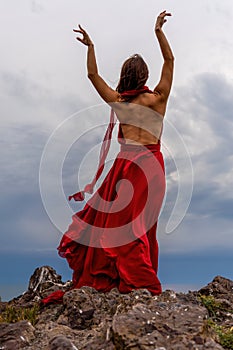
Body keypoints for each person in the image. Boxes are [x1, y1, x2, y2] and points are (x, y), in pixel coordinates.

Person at [42, 10, 174, 305]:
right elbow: (170, 61)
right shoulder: (159, 99)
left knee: (121, 225)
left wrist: (91, 48)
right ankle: (141, 279)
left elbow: (92, 75)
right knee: (143, 226)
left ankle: (128, 277)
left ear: (125, 76)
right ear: (145, 76)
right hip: (152, 169)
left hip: (126, 168)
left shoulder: (119, 102)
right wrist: (158, 32)